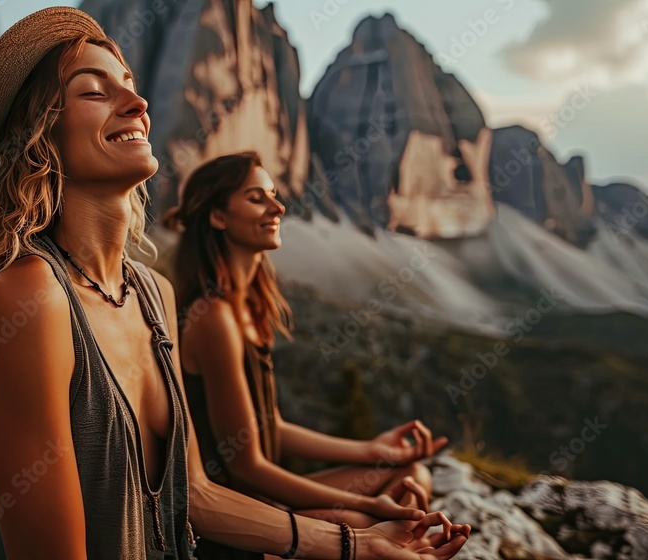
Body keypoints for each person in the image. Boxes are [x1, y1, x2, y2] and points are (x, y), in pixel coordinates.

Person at [0, 7, 470, 560]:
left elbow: (196, 495)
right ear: (38, 138)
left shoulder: (153, 294)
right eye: (95, 93)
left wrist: (358, 544)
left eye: (131, 86)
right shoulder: (28, 296)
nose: (138, 105)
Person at [161, 152, 452, 557]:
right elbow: (247, 466)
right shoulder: (213, 317)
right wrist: (366, 504)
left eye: (274, 195)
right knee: (382, 524)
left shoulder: (246, 307)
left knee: (410, 473)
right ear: (218, 217)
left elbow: (269, 427)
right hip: (242, 525)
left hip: (268, 501)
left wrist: (373, 451)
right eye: (256, 198)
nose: (278, 207)